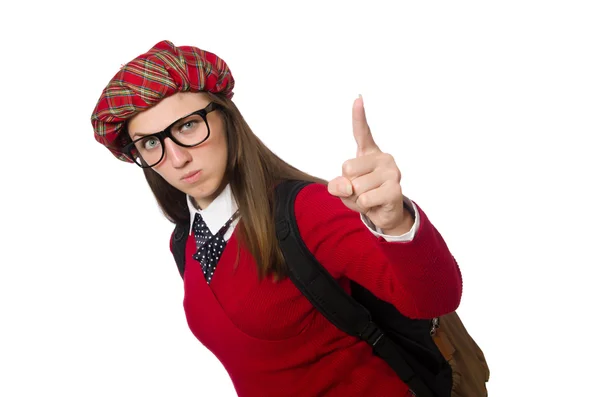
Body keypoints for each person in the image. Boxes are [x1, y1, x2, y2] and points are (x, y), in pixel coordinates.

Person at [90, 40, 463, 397]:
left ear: (227, 119)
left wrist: (396, 225)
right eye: (151, 143)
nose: (176, 159)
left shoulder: (308, 210)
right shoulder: (185, 240)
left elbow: (434, 299)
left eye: (187, 126)